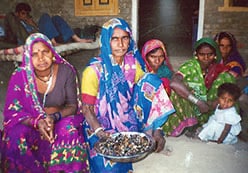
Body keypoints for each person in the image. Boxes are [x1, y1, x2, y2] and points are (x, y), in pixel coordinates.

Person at [81, 18, 175, 173]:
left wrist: (157, 127)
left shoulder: (132, 64)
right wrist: (99, 132)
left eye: (125, 38)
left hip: (127, 118)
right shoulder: (93, 71)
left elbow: (148, 91)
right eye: (115, 39)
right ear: (106, 40)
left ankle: (151, 128)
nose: (121, 44)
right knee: (110, 166)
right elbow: (86, 108)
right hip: (99, 124)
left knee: (151, 80)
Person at [1, 33, 89, 172]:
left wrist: (53, 118)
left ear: (52, 53)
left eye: (45, 52)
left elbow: (72, 106)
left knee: (69, 131)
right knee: (15, 136)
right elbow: (14, 111)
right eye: (35, 54)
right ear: (28, 56)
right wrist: (36, 122)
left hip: (58, 118)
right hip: (30, 121)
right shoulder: (20, 76)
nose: (41, 58)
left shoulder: (66, 71)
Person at [162, 37, 235, 137]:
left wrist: (216, 102)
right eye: (202, 54)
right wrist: (198, 102)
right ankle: (190, 125)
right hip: (191, 108)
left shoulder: (218, 69)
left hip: (210, 111)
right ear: (196, 55)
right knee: (178, 89)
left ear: (215, 55)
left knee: (227, 77)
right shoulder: (191, 66)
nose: (206, 58)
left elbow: (232, 90)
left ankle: (215, 124)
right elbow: (174, 83)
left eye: (210, 54)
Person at [4, 2, 93, 46]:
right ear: (17, 14)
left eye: (27, 13)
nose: (25, 16)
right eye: (23, 13)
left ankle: (77, 39)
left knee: (55, 18)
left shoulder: (28, 22)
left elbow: (40, 31)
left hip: (46, 37)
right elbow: (27, 36)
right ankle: (53, 43)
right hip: (33, 41)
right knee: (45, 16)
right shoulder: (17, 25)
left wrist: (33, 24)